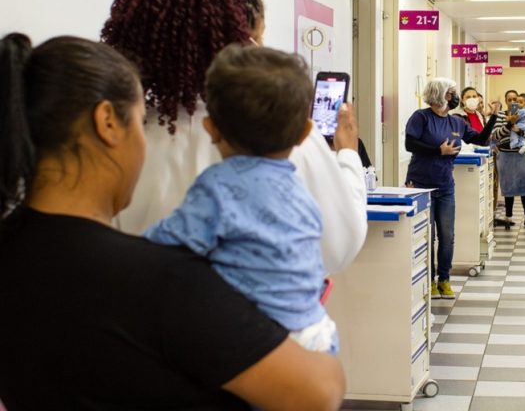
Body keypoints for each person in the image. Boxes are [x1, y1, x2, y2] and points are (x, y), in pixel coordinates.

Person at [0, 34, 344, 410]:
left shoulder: (13, 248)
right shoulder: (160, 279)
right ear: (108, 123)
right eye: (140, 120)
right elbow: (320, 391)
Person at [101, 0, 366, 274]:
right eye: (258, 39)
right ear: (242, 41)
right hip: (266, 319)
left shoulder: (113, 138)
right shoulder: (283, 131)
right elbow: (337, 246)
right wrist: (348, 155)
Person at [145, 45, 338, 354]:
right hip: (316, 333)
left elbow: (163, 246)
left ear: (211, 128)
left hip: (257, 339)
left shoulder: (216, 187)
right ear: (304, 133)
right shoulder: (301, 192)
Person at [405, 78, 500, 299]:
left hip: (445, 185)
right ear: (440, 94)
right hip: (420, 185)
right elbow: (410, 144)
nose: (455, 96)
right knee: (427, 235)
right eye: (452, 92)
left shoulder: (456, 122)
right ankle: (428, 282)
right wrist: (438, 151)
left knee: (447, 236)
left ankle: (444, 280)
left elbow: (481, 140)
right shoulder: (421, 117)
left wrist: (493, 116)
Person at [492, 90, 525, 228]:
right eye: (509, 100)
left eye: (515, 99)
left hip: (522, 155)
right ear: (506, 102)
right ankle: (508, 217)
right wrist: (509, 124)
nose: (512, 102)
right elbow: (496, 135)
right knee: (507, 185)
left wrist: (519, 130)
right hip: (505, 155)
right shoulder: (500, 116)